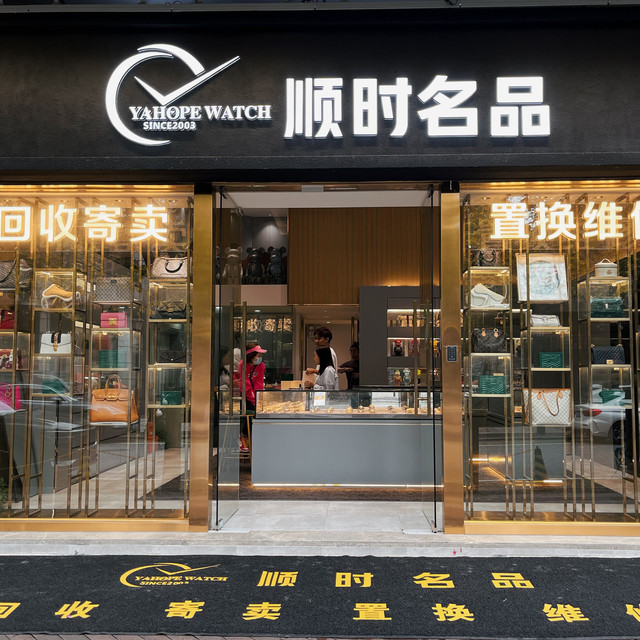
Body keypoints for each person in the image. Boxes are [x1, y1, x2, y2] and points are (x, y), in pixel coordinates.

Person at [233, 343, 266, 453]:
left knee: (259, 411)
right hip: (243, 395)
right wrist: (253, 398)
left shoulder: (261, 366)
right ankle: (244, 436)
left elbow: (259, 383)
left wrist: (258, 397)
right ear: (251, 355)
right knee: (254, 411)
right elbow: (244, 383)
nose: (260, 357)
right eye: (258, 355)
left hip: (253, 395)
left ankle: (252, 437)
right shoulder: (243, 364)